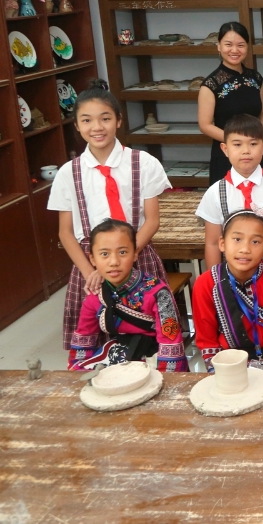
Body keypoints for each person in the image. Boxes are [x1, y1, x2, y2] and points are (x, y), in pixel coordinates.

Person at [49, 79, 171, 350]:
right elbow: (65, 232)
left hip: (138, 254)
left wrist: (124, 255)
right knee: (95, 336)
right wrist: (93, 269)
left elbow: (152, 220)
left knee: (154, 333)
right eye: (87, 120)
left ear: (118, 120)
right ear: (77, 126)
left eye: (105, 118)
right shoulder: (68, 173)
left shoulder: (144, 163)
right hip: (90, 264)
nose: (97, 127)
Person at [68, 219, 187, 372]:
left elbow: (171, 343)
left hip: (156, 357)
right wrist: (78, 373)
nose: (114, 262)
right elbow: (83, 344)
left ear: (135, 254)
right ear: (92, 259)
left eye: (122, 252)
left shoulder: (158, 292)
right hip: (117, 357)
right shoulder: (95, 295)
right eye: (104, 254)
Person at [195, 114, 263, 280]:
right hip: (231, 273)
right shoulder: (215, 193)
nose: (246, 151)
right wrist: (216, 282)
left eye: (253, 144)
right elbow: (213, 243)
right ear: (225, 149)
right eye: (237, 144)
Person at [192, 211, 263, 374]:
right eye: (237, 239)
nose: (245, 249)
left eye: (255, 241)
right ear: (222, 243)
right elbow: (206, 339)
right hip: (226, 360)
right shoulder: (206, 284)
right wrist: (217, 370)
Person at [198, 21, 263, 184]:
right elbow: (205, 124)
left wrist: (254, 139)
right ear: (219, 46)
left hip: (256, 150)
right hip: (227, 153)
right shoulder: (211, 84)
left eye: (240, 45)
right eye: (228, 44)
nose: (234, 50)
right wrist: (236, 142)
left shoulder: (255, 77)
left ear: (247, 47)